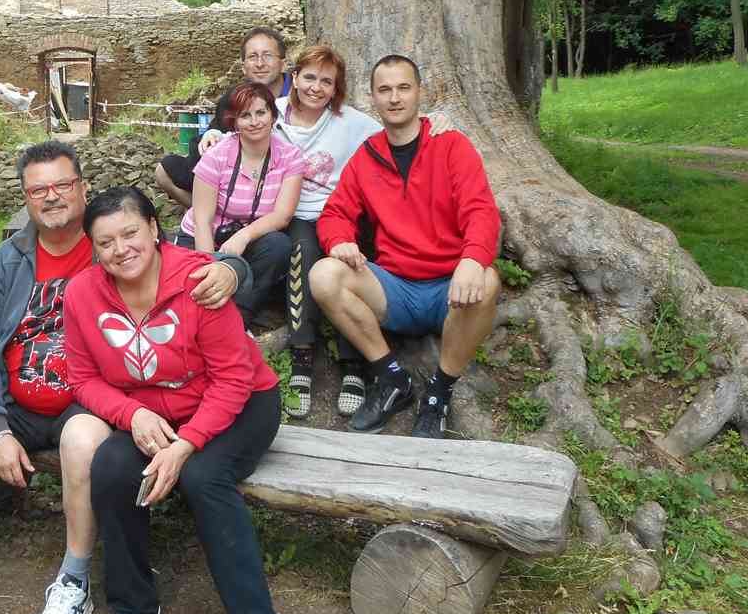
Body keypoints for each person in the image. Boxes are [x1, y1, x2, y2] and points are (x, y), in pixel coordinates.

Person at [0, 143, 251, 614]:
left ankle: (74, 578)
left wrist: (234, 269)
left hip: (85, 399)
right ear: (25, 198)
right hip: (14, 398)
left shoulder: (113, 241)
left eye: (62, 185)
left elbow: (192, 262)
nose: (51, 197)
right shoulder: (9, 261)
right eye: (38, 189)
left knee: (84, 442)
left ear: (83, 189)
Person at [63, 187, 294, 614]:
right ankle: (132, 607)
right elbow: (82, 377)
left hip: (242, 402)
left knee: (202, 478)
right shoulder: (82, 294)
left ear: (154, 228)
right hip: (153, 411)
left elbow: (234, 378)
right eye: (105, 242)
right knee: (111, 465)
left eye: (130, 233)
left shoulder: (198, 282)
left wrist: (187, 444)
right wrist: (132, 414)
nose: (120, 249)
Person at [310, 55, 502, 438]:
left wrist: (472, 259)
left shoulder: (451, 145)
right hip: (394, 289)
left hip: (450, 290)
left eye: (403, 88)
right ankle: (393, 380)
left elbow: (481, 211)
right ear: (373, 97)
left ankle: (439, 393)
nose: (394, 98)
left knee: (488, 280)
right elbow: (335, 213)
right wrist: (340, 240)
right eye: (385, 90)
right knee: (323, 275)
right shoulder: (367, 156)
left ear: (419, 92)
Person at [271, 45, 381, 418]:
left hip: (340, 212)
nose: (316, 88)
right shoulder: (274, 112)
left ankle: (354, 363)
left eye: (326, 82)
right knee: (301, 253)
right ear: (294, 77)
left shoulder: (350, 122)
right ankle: (302, 360)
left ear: (336, 88)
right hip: (294, 212)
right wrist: (211, 134)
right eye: (310, 77)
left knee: (351, 263)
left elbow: (400, 127)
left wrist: (439, 120)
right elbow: (236, 124)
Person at [174, 81, 305, 324]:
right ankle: (207, 318)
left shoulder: (290, 156)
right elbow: (203, 219)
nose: (255, 121)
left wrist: (243, 236)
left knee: (278, 245)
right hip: (202, 235)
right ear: (234, 121)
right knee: (196, 286)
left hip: (247, 237)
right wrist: (210, 266)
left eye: (261, 112)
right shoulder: (217, 155)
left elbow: (282, 215)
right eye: (245, 115)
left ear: (273, 115)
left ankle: (239, 316)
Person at [155, 26, 292, 210]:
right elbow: (215, 133)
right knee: (164, 171)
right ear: (243, 67)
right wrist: (210, 136)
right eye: (252, 57)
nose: (260, 64)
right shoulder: (234, 98)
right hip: (239, 178)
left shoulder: (301, 95)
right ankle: (217, 216)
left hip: (287, 180)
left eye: (267, 56)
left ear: (283, 63)